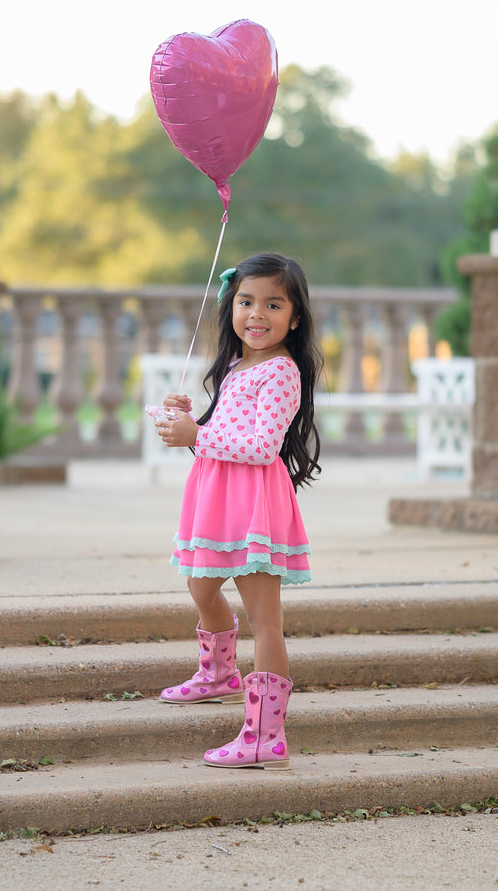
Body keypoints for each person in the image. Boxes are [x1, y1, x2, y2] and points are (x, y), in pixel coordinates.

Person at [152, 252, 323, 770]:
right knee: (200, 585)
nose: (257, 313)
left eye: (273, 304)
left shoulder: (282, 372)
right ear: (231, 306)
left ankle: (264, 737)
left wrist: (197, 435)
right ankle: (219, 675)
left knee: (264, 619)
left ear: (294, 317)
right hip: (218, 498)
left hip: (253, 506)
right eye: (246, 301)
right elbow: (223, 434)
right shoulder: (235, 366)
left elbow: (261, 446)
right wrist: (186, 422)